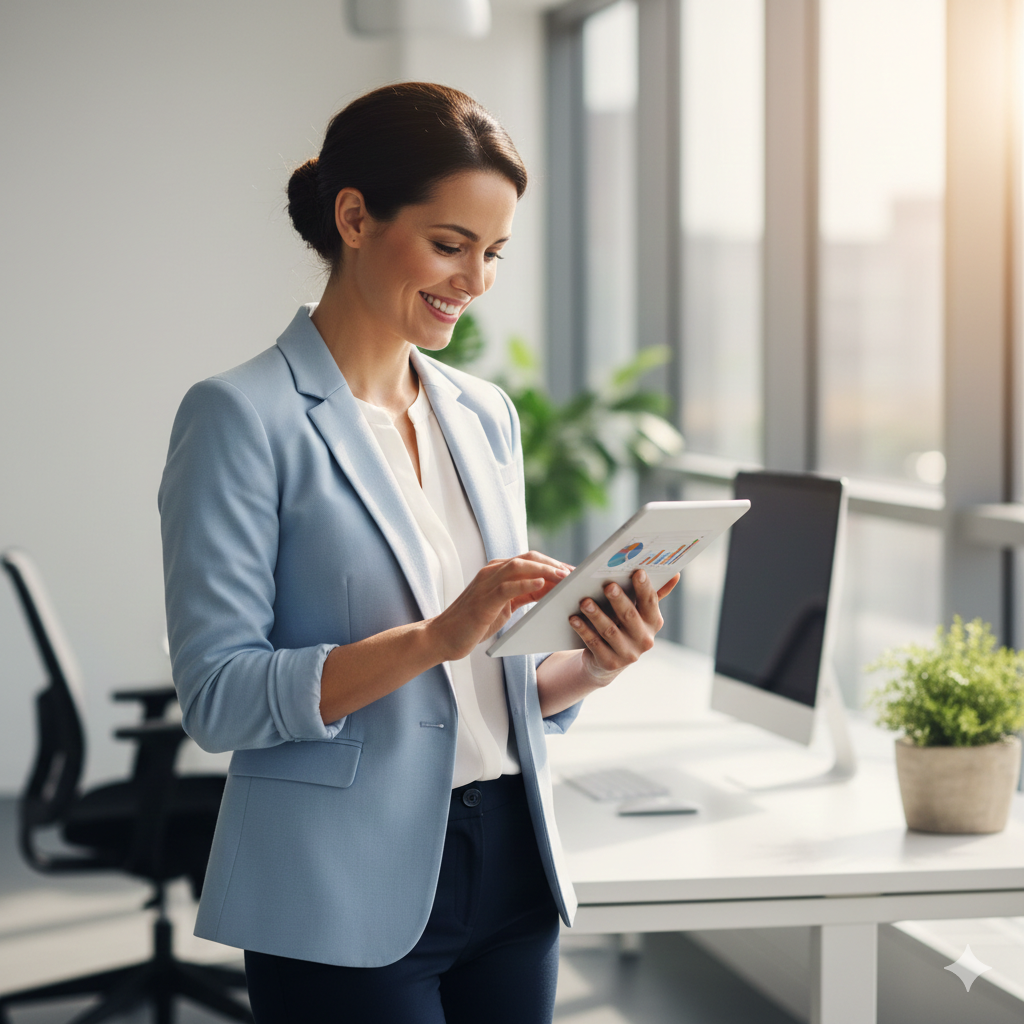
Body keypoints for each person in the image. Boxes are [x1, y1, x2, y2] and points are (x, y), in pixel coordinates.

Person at [158, 82, 678, 1024]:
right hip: (339, 883)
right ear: (353, 217)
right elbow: (220, 697)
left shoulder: (483, 414)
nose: (474, 282)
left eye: (493, 253)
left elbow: (488, 689)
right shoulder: (241, 417)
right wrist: (434, 636)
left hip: (514, 865)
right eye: (449, 245)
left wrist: (590, 664)